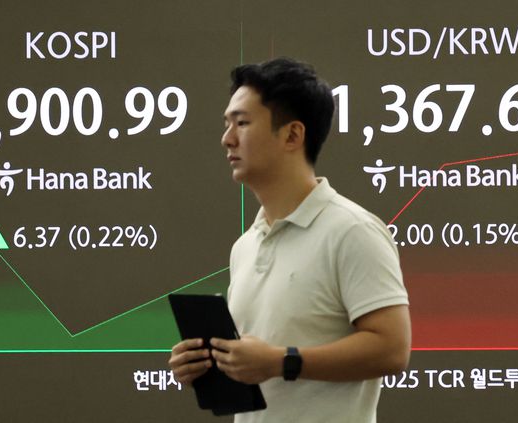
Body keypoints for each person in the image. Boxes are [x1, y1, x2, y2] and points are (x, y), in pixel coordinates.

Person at [169, 58, 411, 422]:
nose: (227, 138)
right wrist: (208, 363)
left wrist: (283, 362)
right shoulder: (245, 246)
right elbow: (257, 364)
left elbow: (391, 349)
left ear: (293, 135)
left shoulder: (352, 230)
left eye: (242, 123)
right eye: (227, 124)